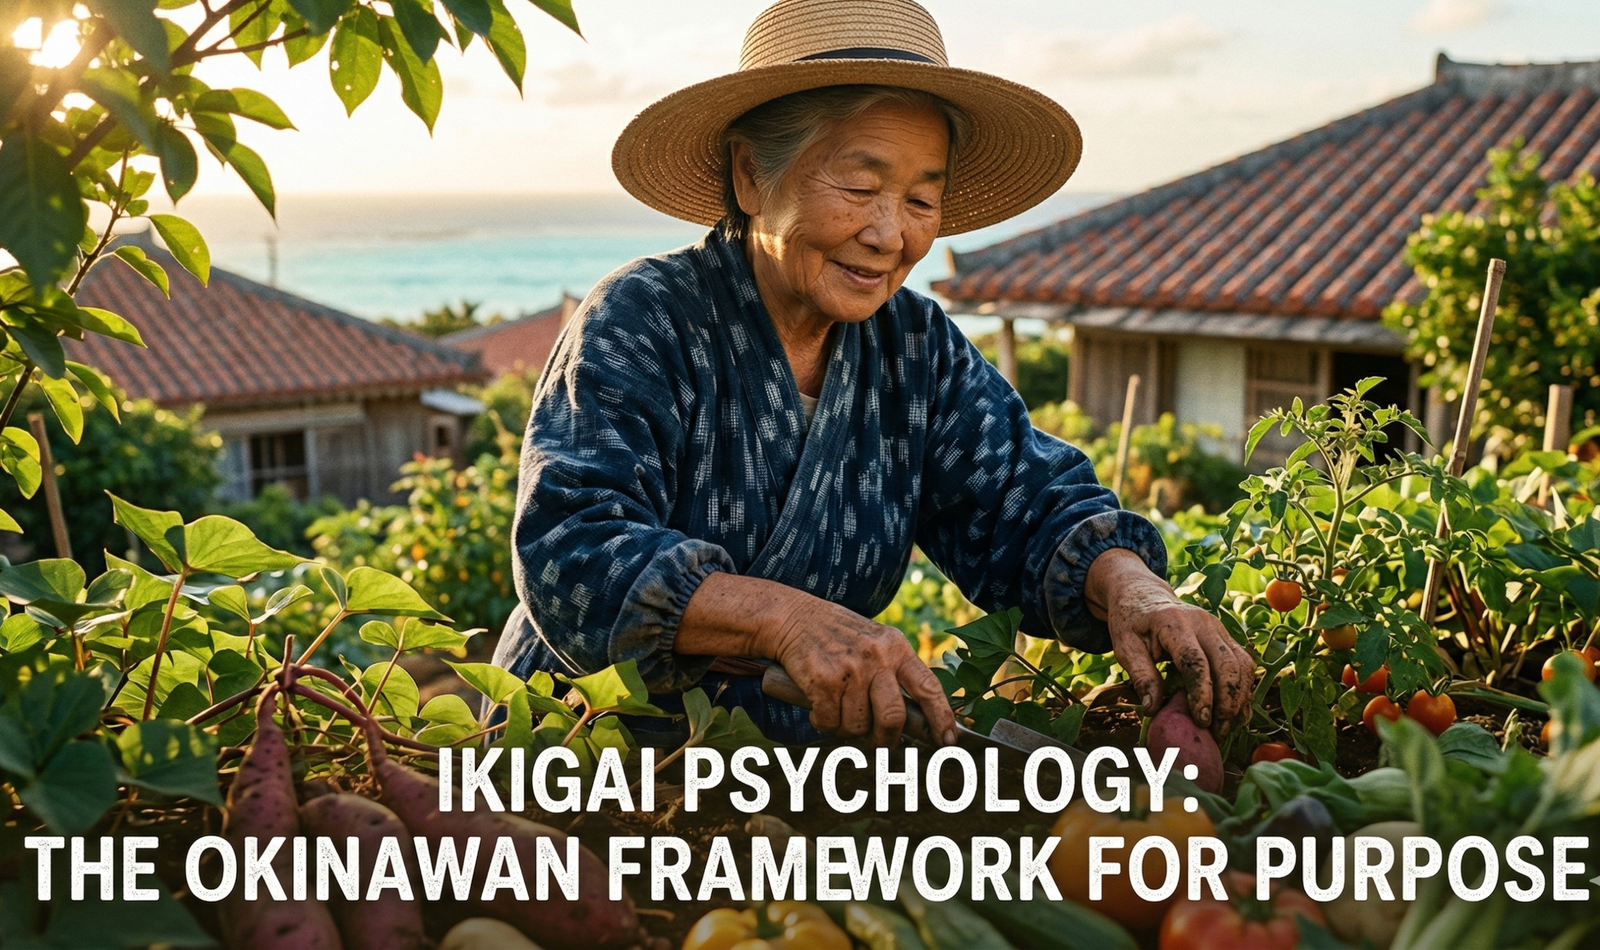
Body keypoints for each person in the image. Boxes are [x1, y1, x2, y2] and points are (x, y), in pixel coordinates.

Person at [491, 0, 1255, 747]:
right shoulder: (643, 316)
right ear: (753, 176)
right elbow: (572, 549)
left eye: (923, 198)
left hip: (791, 772)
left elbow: (1025, 505)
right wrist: (786, 620)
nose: (891, 234)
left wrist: (1132, 586)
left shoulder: (915, 347)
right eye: (859, 188)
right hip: (585, 754)